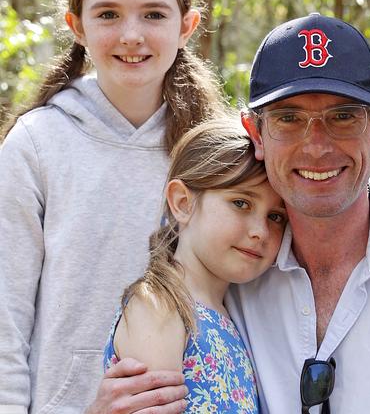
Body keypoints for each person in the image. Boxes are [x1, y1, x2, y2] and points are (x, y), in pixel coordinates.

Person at [90, 13, 370, 413]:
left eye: (343, 117)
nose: (316, 146)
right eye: (289, 118)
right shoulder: (234, 271)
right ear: (255, 133)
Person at [0, 0, 225, 412]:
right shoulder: (38, 144)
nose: (131, 35)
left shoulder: (212, 150)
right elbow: (5, 320)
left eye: (154, 15)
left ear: (186, 26)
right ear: (76, 25)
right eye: (107, 14)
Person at [104, 116, 287, 413]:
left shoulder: (237, 316)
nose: (260, 231)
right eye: (241, 203)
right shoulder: (159, 305)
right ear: (182, 203)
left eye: (276, 217)